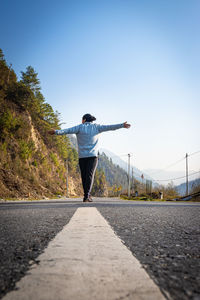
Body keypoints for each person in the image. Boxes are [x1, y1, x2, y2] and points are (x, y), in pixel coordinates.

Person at [48, 113, 131, 202]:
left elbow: (67, 130)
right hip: (93, 156)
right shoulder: (96, 127)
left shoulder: (79, 127)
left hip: (82, 157)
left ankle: (86, 195)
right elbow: (110, 127)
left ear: (84, 120)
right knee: (90, 176)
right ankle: (87, 195)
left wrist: (56, 132)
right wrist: (122, 125)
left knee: (84, 176)